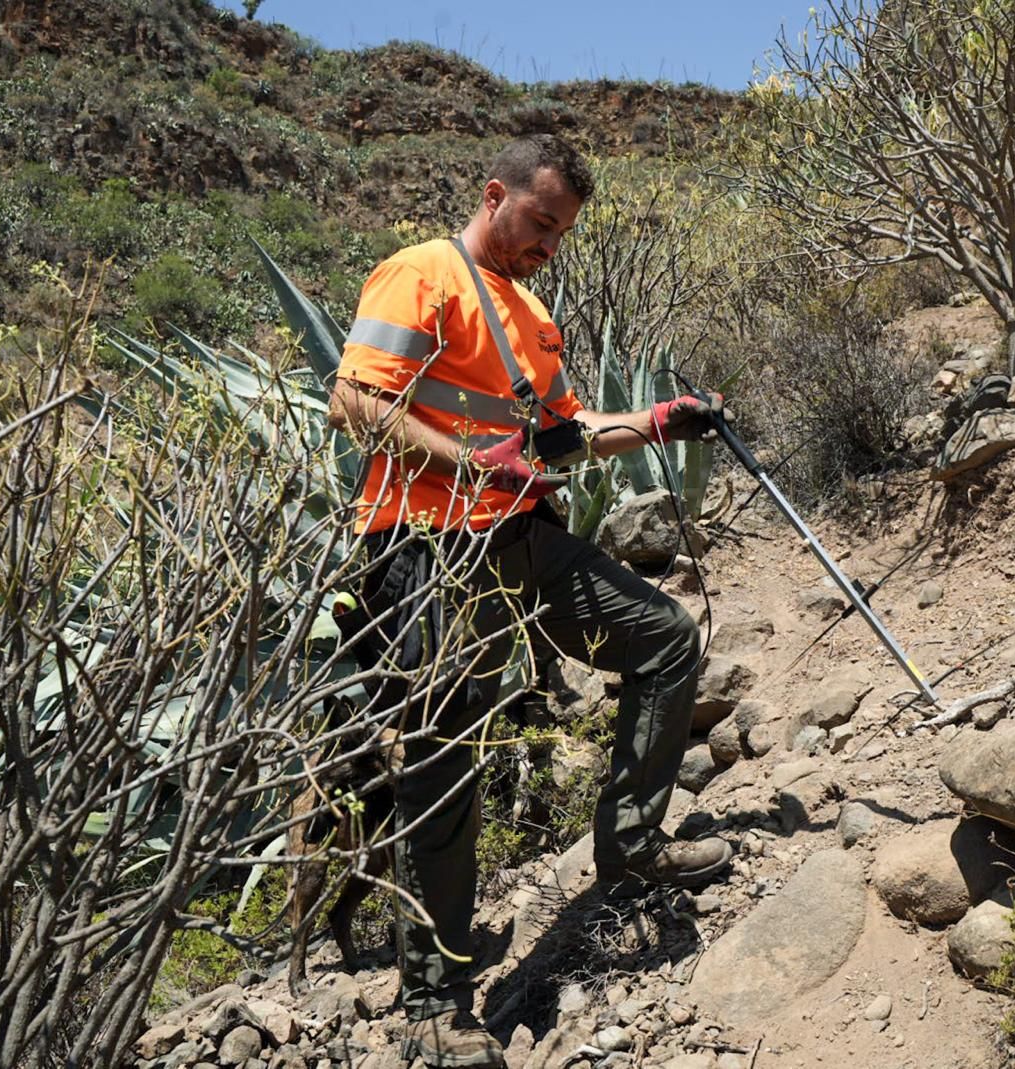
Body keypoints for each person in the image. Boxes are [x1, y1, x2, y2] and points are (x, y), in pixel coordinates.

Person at [327, 133, 731, 1068]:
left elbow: (563, 437)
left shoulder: (530, 310)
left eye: (562, 232)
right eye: (540, 222)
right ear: (495, 194)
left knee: (665, 638)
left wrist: (664, 421)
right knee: (442, 759)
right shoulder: (422, 274)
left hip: (517, 537)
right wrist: (470, 460)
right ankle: (434, 1004)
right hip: (418, 548)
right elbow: (354, 396)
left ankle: (630, 853)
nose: (549, 243)